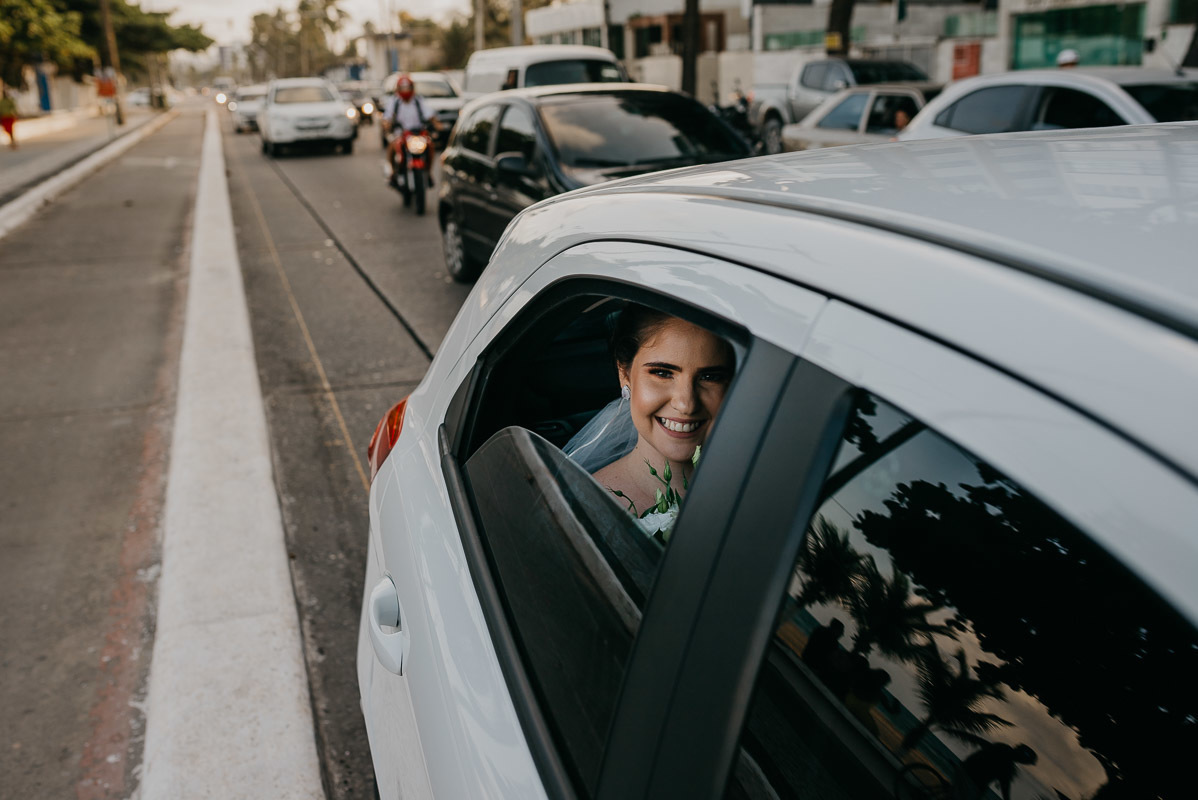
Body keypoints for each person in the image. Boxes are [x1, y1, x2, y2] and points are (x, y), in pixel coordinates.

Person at [583, 305, 736, 518]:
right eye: (662, 373)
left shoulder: (768, 492)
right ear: (624, 374)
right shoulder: (587, 507)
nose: (686, 404)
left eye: (710, 377)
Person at [383, 75, 442, 189]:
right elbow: (387, 117)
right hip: (401, 134)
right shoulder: (395, 101)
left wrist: (437, 124)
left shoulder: (418, 101)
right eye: (403, 88)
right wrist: (386, 124)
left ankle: (428, 173)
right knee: (392, 147)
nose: (406, 91)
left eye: (408, 87)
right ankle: (393, 173)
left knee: (430, 147)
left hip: (418, 134)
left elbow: (429, 114)